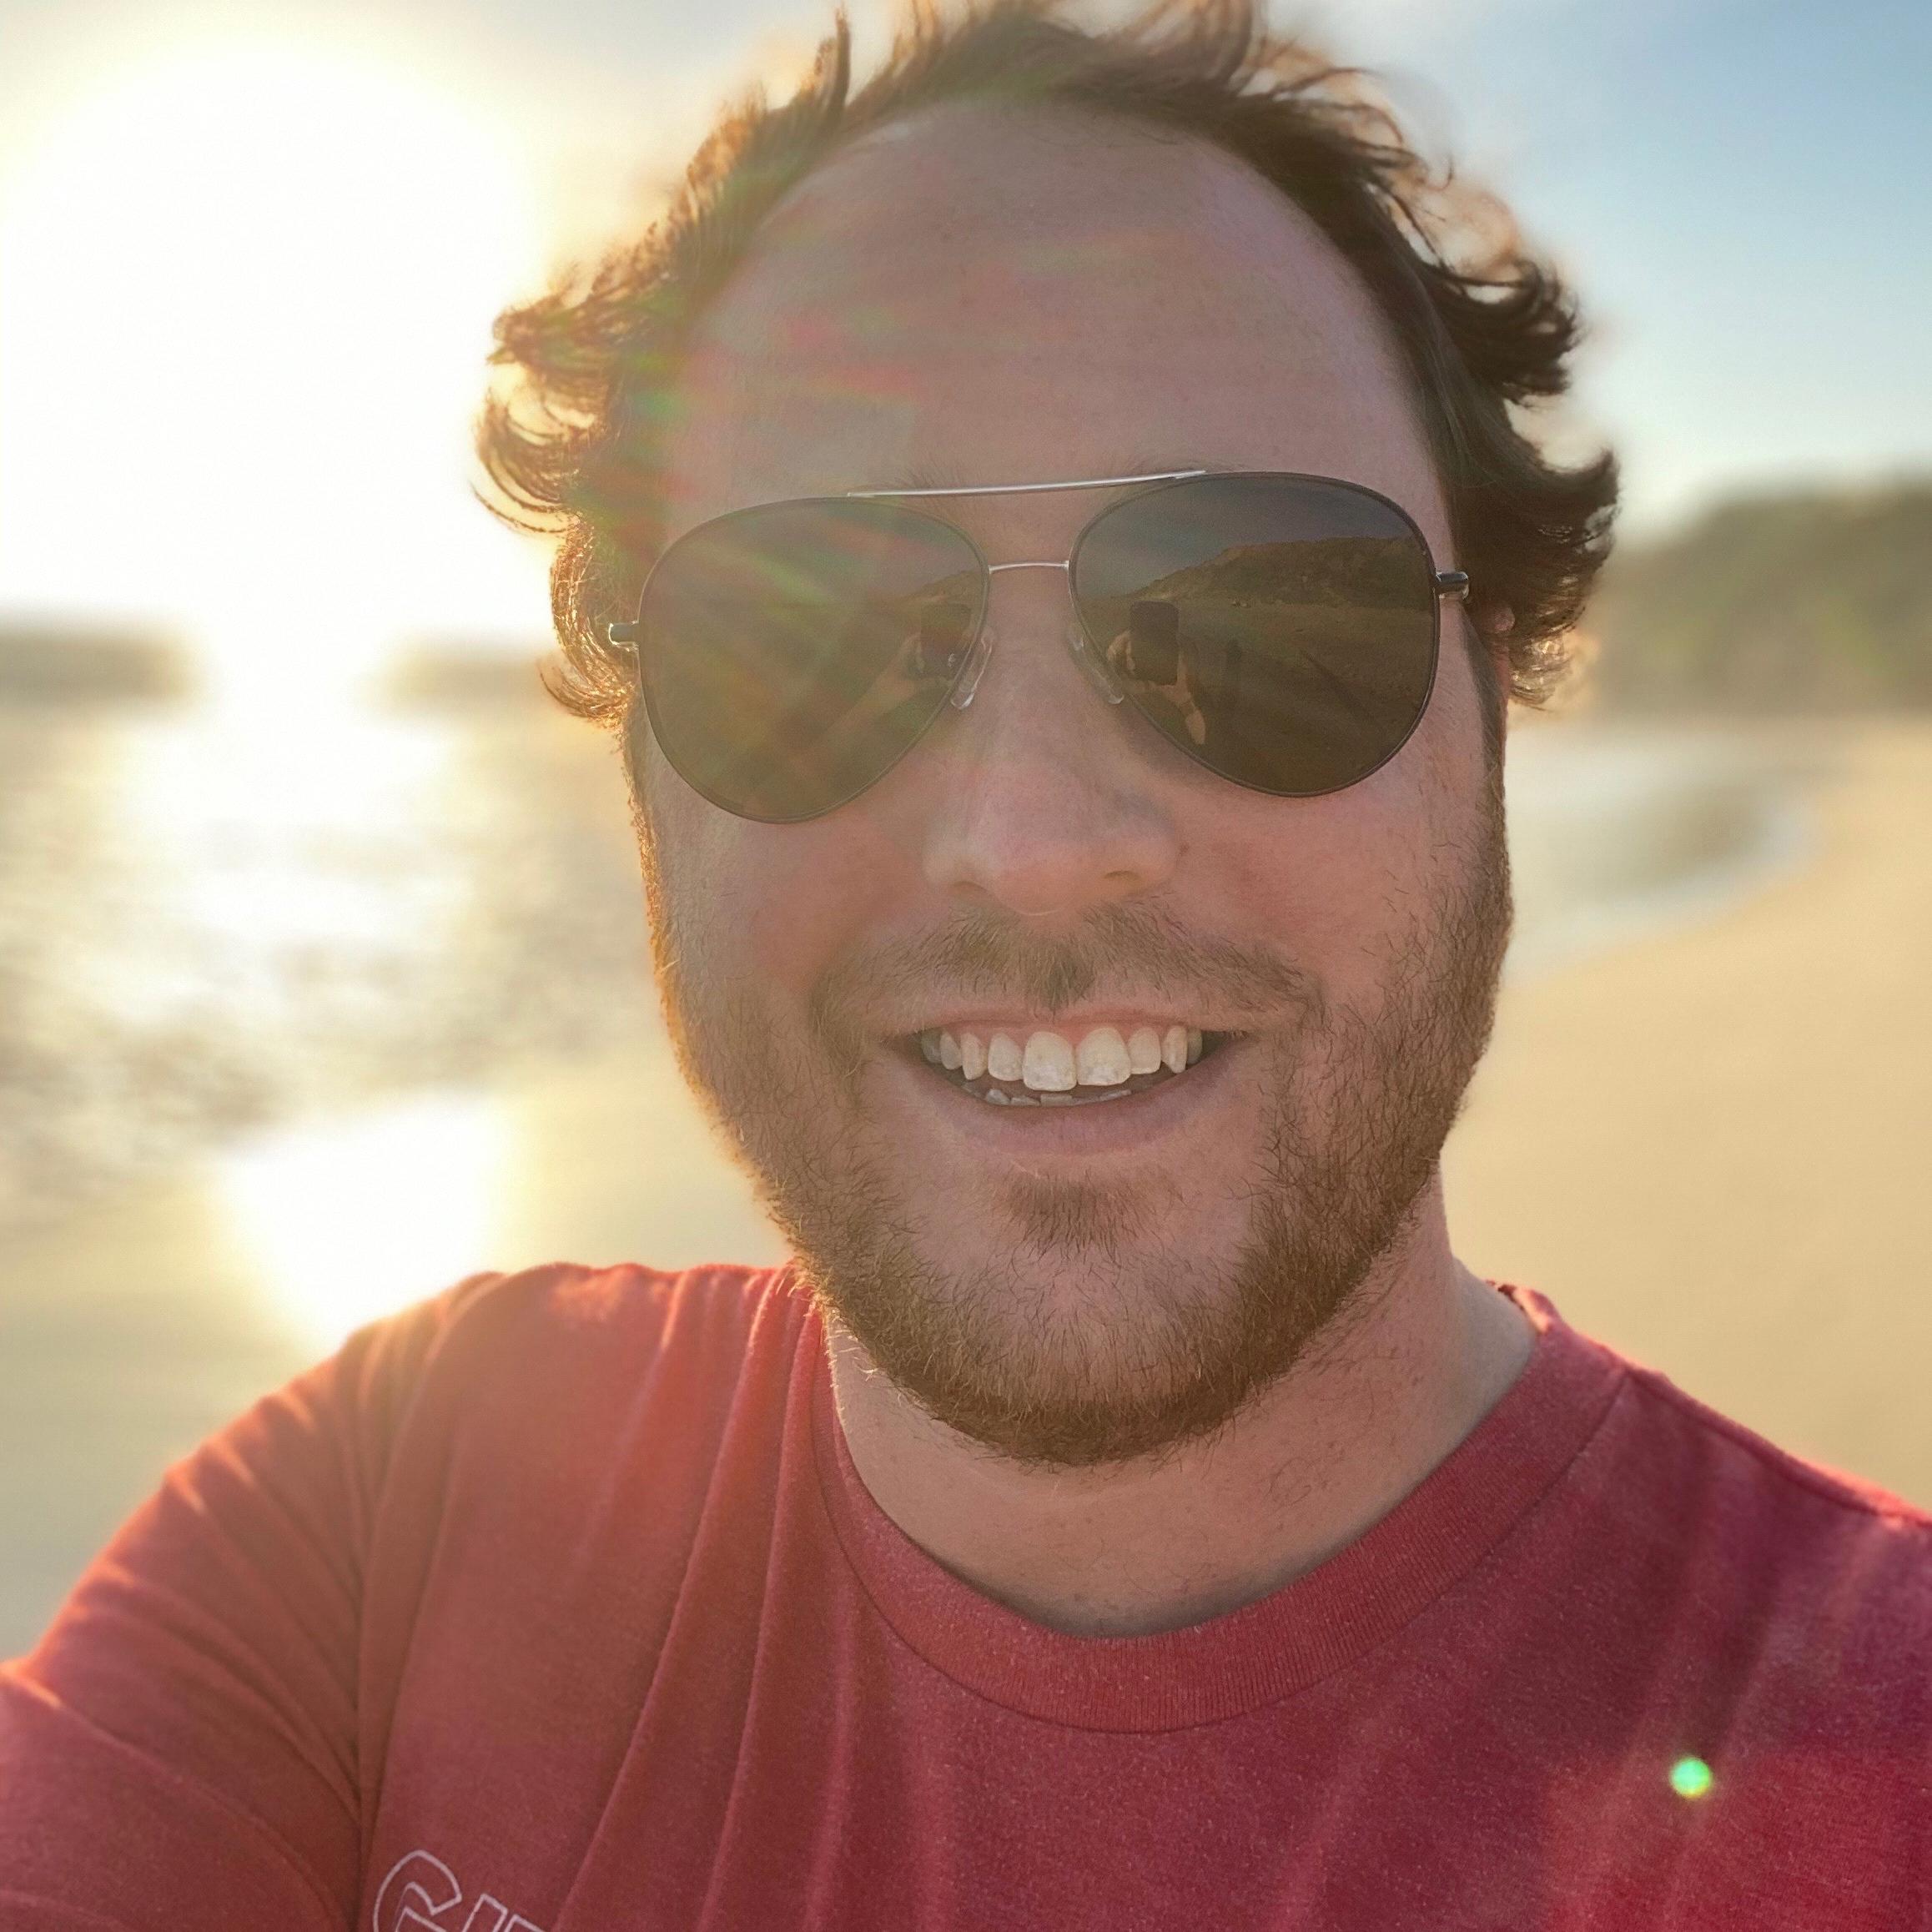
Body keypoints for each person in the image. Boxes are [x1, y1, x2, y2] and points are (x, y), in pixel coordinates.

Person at [3, 4, 1926, 1925]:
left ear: (1491, 707)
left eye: (1264, 623)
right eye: (806, 644)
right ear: (641, 768)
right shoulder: (388, 1514)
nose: (1031, 837)